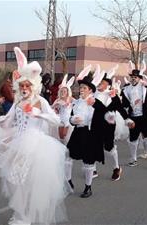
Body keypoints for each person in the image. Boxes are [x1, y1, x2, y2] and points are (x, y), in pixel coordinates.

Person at [0, 47, 68, 225]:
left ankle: (24, 215)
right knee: (14, 180)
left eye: (28, 85)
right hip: (18, 143)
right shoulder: (18, 102)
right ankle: (21, 212)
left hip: (37, 146)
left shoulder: (40, 101)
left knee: (27, 182)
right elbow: (8, 121)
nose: (24, 88)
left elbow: (57, 121)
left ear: (34, 86)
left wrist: (38, 114)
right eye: (22, 86)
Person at [66, 65, 96, 198]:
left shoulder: (94, 103)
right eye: (80, 87)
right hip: (77, 133)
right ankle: (68, 182)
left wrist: (83, 120)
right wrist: (73, 120)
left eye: (84, 88)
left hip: (88, 134)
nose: (81, 90)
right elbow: (70, 118)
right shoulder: (76, 102)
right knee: (68, 156)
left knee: (88, 161)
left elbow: (95, 119)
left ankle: (88, 187)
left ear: (90, 90)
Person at [51, 74, 75, 144]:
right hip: (60, 119)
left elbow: (78, 104)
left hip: (68, 120)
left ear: (68, 92)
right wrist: (55, 106)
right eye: (61, 91)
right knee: (61, 136)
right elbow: (52, 108)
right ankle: (62, 149)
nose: (63, 93)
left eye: (64, 91)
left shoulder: (70, 99)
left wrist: (70, 105)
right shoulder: (58, 100)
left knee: (65, 135)